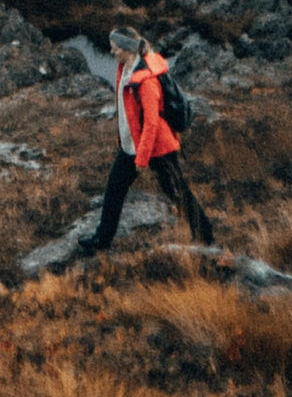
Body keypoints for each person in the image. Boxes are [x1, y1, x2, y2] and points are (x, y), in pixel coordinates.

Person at [73, 27, 214, 256]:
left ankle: (206, 236)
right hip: (131, 146)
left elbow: (151, 123)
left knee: (177, 191)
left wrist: (142, 158)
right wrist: (125, 141)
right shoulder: (125, 68)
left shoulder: (146, 80)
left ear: (128, 49)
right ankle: (101, 240)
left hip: (157, 148)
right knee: (114, 189)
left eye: (115, 48)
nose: (112, 51)